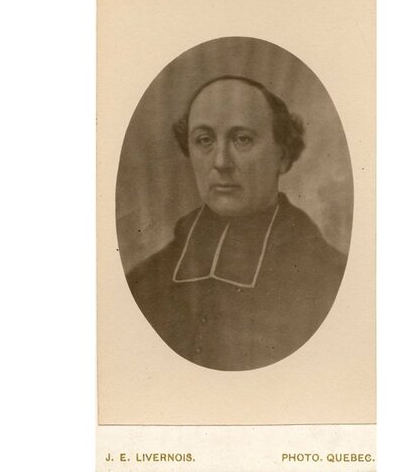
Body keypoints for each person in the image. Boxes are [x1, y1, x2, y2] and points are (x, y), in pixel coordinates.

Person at [126, 75, 347, 371]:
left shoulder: (331, 280)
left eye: (242, 139)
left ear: (282, 156)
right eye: (204, 140)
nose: (221, 162)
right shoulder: (144, 281)